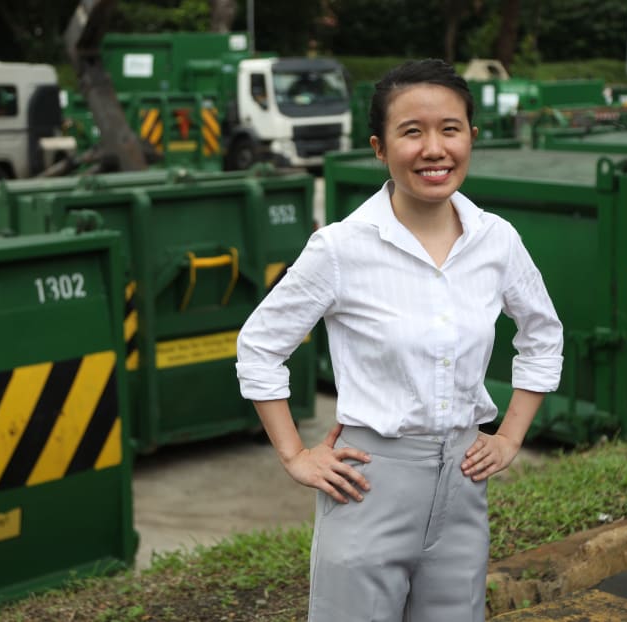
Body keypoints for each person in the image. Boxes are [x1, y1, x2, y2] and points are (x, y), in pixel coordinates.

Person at [236, 58, 563, 622]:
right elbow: (260, 346)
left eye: (450, 129)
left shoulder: (496, 241)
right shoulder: (341, 249)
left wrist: (509, 436)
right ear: (380, 148)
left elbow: (542, 334)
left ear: (472, 138)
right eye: (412, 132)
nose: (434, 148)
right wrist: (294, 454)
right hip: (367, 483)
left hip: (463, 483)